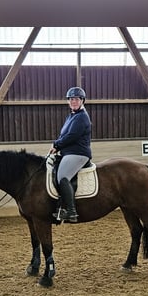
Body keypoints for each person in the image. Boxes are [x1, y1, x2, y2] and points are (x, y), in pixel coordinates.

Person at [50, 86, 92, 223]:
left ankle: (71, 212)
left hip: (78, 153)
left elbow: (72, 136)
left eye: (76, 99)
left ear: (82, 101)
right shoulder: (71, 116)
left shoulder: (82, 117)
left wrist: (57, 144)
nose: (73, 101)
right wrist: (57, 145)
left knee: (62, 177)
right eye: (71, 99)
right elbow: (65, 134)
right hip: (68, 152)